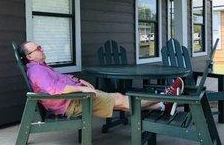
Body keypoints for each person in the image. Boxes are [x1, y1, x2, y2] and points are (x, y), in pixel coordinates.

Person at [19, 41, 184, 119]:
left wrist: (78, 80)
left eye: (41, 46)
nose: (42, 49)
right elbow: (55, 89)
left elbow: (62, 79)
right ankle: (167, 95)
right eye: (38, 48)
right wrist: (82, 89)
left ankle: (162, 106)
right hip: (74, 102)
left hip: (77, 97)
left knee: (119, 101)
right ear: (29, 56)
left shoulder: (42, 67)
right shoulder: (36, 71)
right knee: (120, 99)